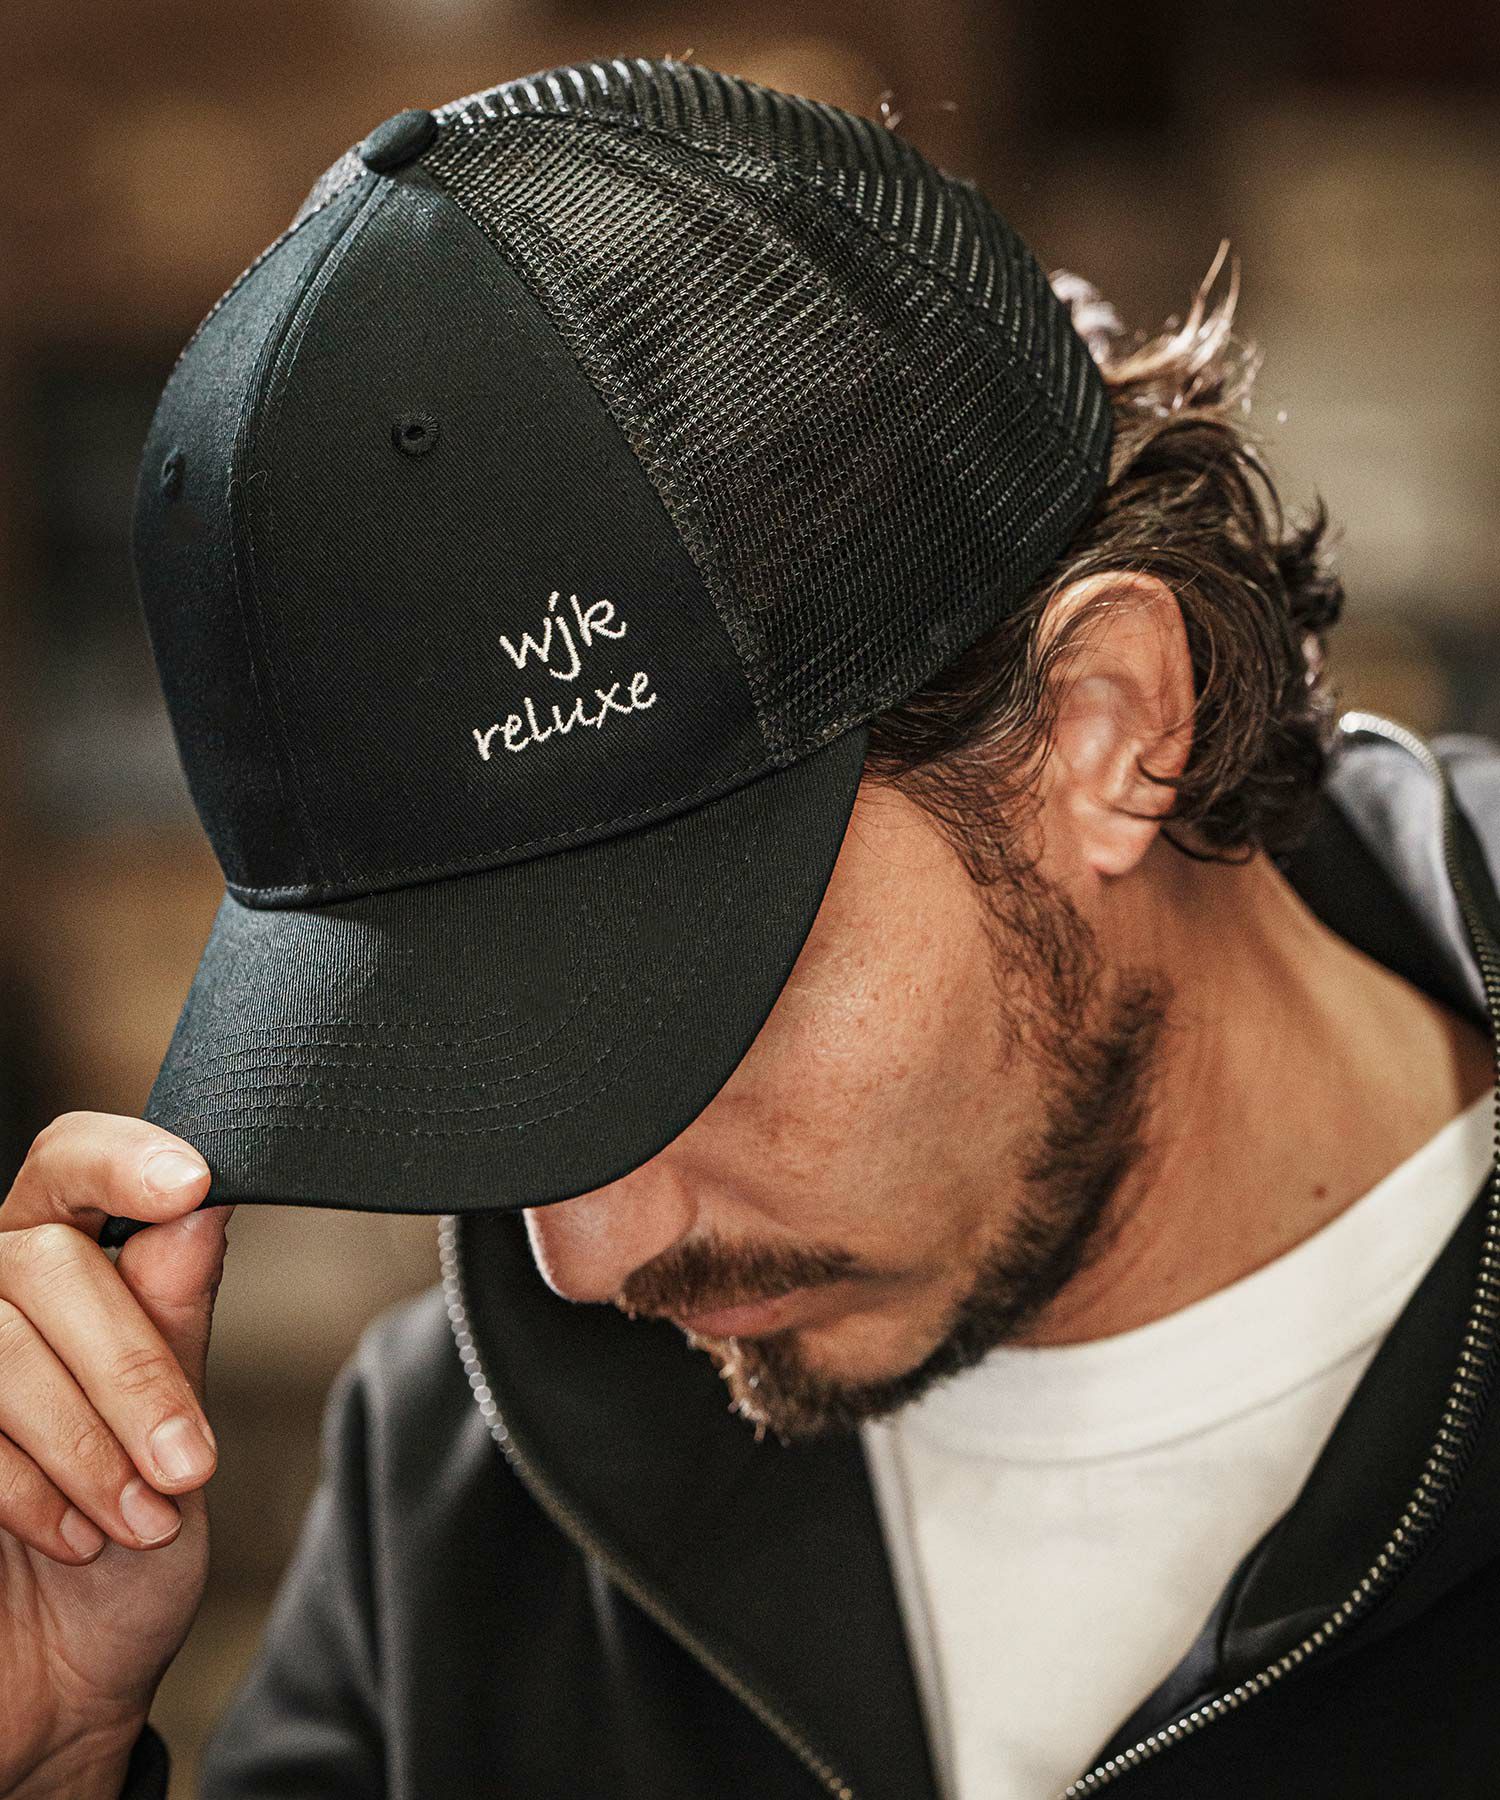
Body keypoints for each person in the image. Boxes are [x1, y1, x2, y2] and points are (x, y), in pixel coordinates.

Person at [1, 56, 1496, 1800]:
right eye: (472, 1049)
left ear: (1103, 728)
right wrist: (60, 1758)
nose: (584, 1255)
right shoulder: (464, 1489)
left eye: (679, 999)